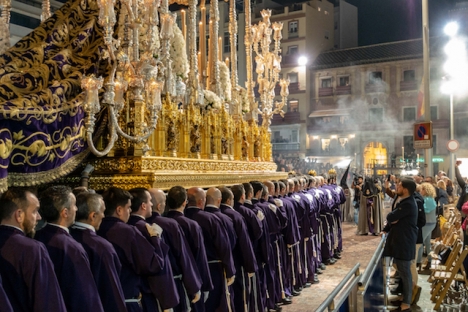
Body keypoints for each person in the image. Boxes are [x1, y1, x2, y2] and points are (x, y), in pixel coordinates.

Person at [97, 187, 168, 312]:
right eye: (128, 208)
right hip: (127, 303)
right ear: (119, 210)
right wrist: (155, 239)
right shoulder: (127, 231)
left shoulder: (97, 229)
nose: (130, 211)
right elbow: (152, 264)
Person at [35, 186, 104, 312]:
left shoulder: (36, 238)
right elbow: (83, 295)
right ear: (65, 212)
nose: (77, 209)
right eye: (74, 205)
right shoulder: (72, 248)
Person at [0, 188, 66, 312]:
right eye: (35, 211)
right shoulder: (33, 249)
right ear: (19, 215)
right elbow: (48, 302)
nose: (39, 217)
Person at [69, 192, 127, 312]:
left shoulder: (65, 240)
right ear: (93, 216)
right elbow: (111, 290)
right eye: (102, 211)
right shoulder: (102, 247)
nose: (104, 216)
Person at [147, 188, 203, 312]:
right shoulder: (170, 224)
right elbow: (184, 257)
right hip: (173, 286)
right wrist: (194, 286)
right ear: (159, 205)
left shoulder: (139, 225)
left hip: (148, 290)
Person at [184, 187, 236, 312]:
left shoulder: (181, 218)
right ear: (202, 201)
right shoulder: (210, 219)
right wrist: (230, 270)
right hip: (213, 270)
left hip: (188, 272)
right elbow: (224, 246)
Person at [127, 187, 176, 312]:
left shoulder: (125, 227)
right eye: (149, 201)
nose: (152, 204)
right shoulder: (147, 229)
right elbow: (157, 265)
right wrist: (167, 302)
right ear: (143, 206)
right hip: (149, 295)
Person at [165, 186, 213, 312]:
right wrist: (205, 285)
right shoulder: (191, 225)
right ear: (184, 202)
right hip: (189, 281)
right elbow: (199, 257)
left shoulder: (161, 223)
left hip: (167, 282)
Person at [382, 178, 418, 312]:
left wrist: (394, 218)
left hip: (404, 241)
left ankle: (407, 302)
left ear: (406, 189)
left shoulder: (408, 204)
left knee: (405, 272)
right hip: (401, 240)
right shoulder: (404, 201)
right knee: (402, 271)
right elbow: (392, 218)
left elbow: (391, 217)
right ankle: (405, 296)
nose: (396, 187)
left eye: (399, 186)